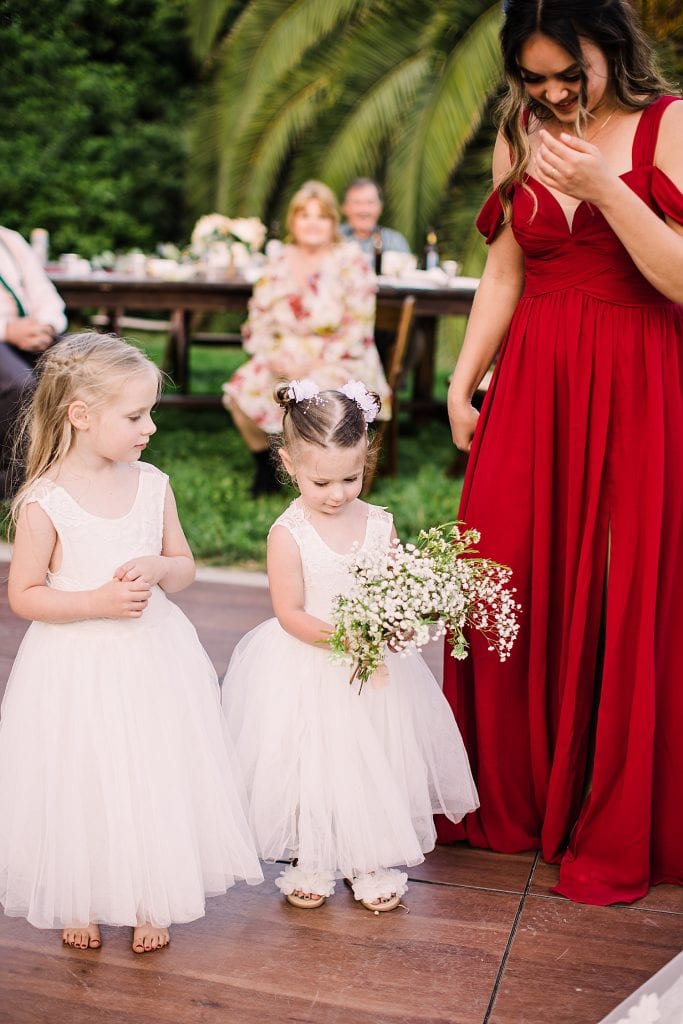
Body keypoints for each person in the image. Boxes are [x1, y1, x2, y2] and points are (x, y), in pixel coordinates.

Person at [441, 0, 683, 906]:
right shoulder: (519, 132)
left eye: (565, 74)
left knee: (624, 591)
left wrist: (605, 187)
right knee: (504, 575)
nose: (549, 92)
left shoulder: (669, 126)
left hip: (638, 381)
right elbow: (505, 268)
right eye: (532, 77)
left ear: (609, 49)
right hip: (534, 383)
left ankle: (604, 810)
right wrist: (465, 382)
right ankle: (512, 796)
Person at [0, 333, 262, 952]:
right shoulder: (44, 501)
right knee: (82, 774)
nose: (148, 428)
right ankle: (81, 892)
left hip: (152, 657)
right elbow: (25, 595)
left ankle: (151, 895)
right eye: (135, 415)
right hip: (75, 664)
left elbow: (185, 565)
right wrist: (93, 602)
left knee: (151, 770)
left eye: (150, 414)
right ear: (81, 416)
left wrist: (159, 567)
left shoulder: (152, 484)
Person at [222, 380, 479, 911]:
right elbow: (290, 613)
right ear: (289, 463)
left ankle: (369, 857)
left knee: (374, 758)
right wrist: (347, 637)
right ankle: (312, 856)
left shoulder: (379, 524)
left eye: (351, 477)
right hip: (309, 663)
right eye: (322, 481)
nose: (337, 493)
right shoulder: (287, 533)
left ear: (369, 459)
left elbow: (390, 593)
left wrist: (398, 623)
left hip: (373, 672)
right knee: (312, 762)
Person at [223, 180, 391, 497]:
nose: (313, 223)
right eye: (304, 215)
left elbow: (358, 325)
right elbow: (258, 318)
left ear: (332, 223)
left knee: (324, 387)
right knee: (239, 390)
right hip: (282, 354)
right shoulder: (277, 261)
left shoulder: (350, 261)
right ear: (293, 221)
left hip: (340, 355)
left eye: (322, 216)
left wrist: (315, 362)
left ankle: (330, 473)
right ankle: (268, 466)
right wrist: (272, 355)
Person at [0, 226, 67, 500]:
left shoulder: (9, 239)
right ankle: (16, 485)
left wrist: (47, 326)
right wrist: (7, 330)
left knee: (88, 367)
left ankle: (78, 466)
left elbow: (46, 294)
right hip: (4, 333)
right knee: (21, 385)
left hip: (33, 331)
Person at [340, 179, 411, 260]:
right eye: (357, 203)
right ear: (344, 208)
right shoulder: (333, 238)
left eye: (370, 202)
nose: (364, 210)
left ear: (380, 207)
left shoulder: (395, 241)